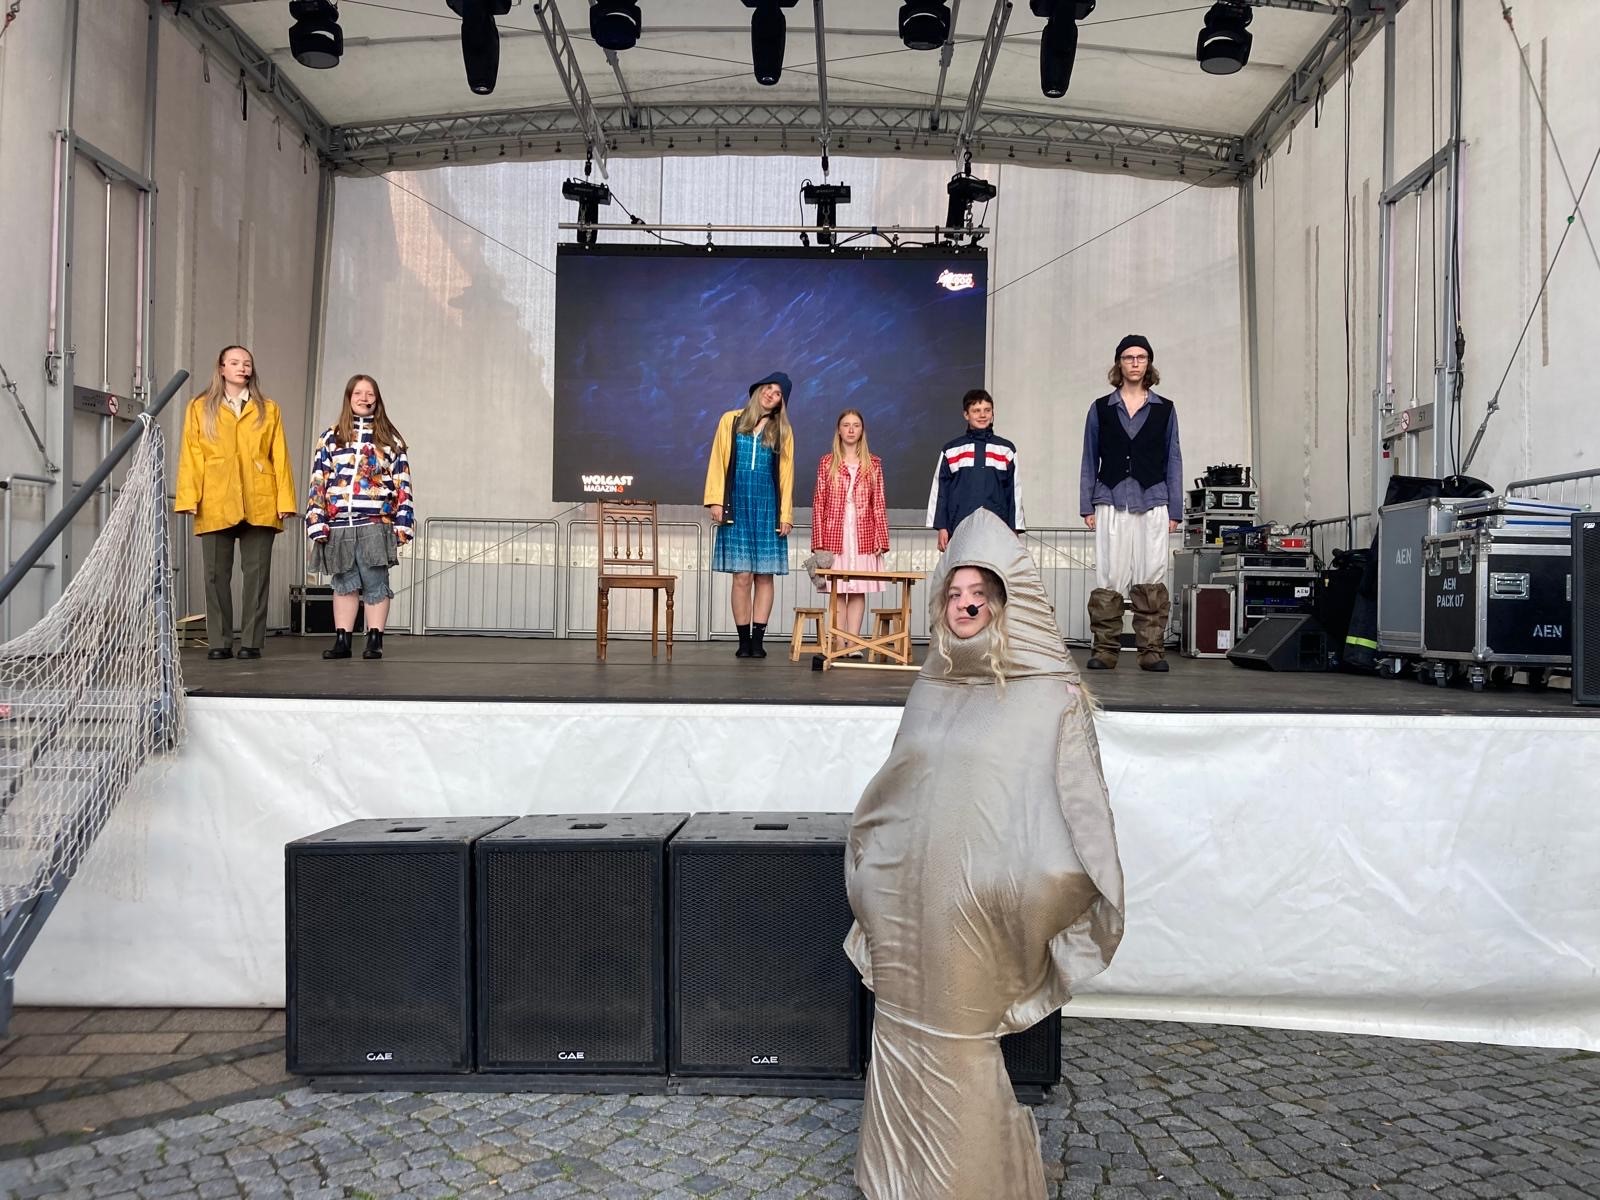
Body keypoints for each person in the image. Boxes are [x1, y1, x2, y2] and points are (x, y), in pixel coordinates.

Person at [845, 508, 1125, 1200]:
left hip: (975, 918)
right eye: (955, 592)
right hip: (908, 910)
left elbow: (1078, 815)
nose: (965, 604)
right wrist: (871, 875)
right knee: (900, 1033)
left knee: (958, 1047)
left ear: (1005, 601)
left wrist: (1022, 888)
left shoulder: (1050, 698)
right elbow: (894, 790)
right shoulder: (930, 686)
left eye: (980, 592)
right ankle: (893, 1180)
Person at [173, 345, 297, 661]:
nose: (242, 367)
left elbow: (280, 456)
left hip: (261, 499)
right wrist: (189, 496)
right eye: (235, 362)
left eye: (247, 363)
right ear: (221, 368)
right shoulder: (199, 407)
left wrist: (285, 499)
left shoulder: (268, 408)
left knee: (257, 576)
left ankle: (252, 642)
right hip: (216, 498)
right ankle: (219, 641)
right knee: (215, 576)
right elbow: (191, 454)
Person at [1079, 334, 1183, 672]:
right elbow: (1089, 457)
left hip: (1153, 498)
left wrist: (1175, 510)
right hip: (1110, 497)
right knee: (1110, 574)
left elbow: (1173, 459)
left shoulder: (1165, 408)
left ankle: (1151, 651)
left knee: (1151, 574)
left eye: (1141, 357)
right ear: (1119, 364)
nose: (1135, 363)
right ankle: (1105, 650)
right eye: (1128, 357)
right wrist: (1086, 505)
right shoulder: (1101, 408)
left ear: (1148, 363)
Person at [304, 375, 415, 661]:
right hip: (340, 523)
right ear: (349, 397)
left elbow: (402, 482)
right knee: (343, 583)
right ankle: (342, 639)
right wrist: (316, 517)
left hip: (375, 523)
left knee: (376, 581)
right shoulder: (331, 437)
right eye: (358, 393)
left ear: (377, 399)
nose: (364, 398)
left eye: (370, 394)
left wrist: (403, 522)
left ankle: (375, 639)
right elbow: (319, 479)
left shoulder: (390, 439)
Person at [703, 371, 796, 660]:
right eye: (769, 388)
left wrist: (785, 514)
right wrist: (716, 501)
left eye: (778, 393)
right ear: (758, 390)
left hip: (768, 506)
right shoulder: (730, 420)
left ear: (781, 402)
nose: (771, 394)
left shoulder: (782, 431)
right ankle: (743, 641)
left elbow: (786, 475)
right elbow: (718, 462)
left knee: (764, 576)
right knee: (742, 576)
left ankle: (758, 641)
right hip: (737, 504)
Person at [810, 410, 890, 653]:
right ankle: (838, 641)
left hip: (863, 531)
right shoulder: (827, 462)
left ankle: (853, 643)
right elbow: (819, 502)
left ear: (862, 430)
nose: (851, 429)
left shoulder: (874, 463)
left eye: (856, 425)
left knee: (857, 589)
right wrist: (818, 542)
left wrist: (881, 537)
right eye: (846, 425)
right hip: (835, 532)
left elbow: (879, 503)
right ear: (839, 430)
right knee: (838, 589)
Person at [926, 388, 1024, 552]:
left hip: (997, 528)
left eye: (987, 410)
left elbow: (1014, 492)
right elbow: (940, 491)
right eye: (976, 411)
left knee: (993, 568)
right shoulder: (951, 449)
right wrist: (942, 527)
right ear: (966, 415)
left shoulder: (1006, 449)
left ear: (993, 413)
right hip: (959, 527)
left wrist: (1014, 528)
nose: (982, 415)